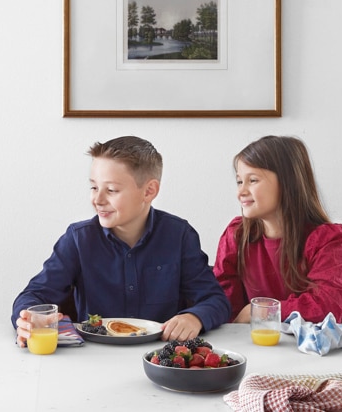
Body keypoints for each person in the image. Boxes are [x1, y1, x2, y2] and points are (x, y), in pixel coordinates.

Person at [12, 136, 230, 346]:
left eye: (112, 190)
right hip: (94, 357)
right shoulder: (78, 239)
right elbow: (35, 294)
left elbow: (215, 300)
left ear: (149, 191)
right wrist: (28, 318)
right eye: (94, 187)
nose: (97, 200)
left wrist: (195, 317)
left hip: (159, 355)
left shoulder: (179, 235)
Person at [214, 135, 342, 324]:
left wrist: (261, 311)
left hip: (333, 345)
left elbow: (328, 305)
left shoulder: (327, 239)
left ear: (288, 183)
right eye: (240, 181)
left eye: (253, 180)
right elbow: (223, 300)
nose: (241, 192)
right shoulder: (237, 235)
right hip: (268, 343)